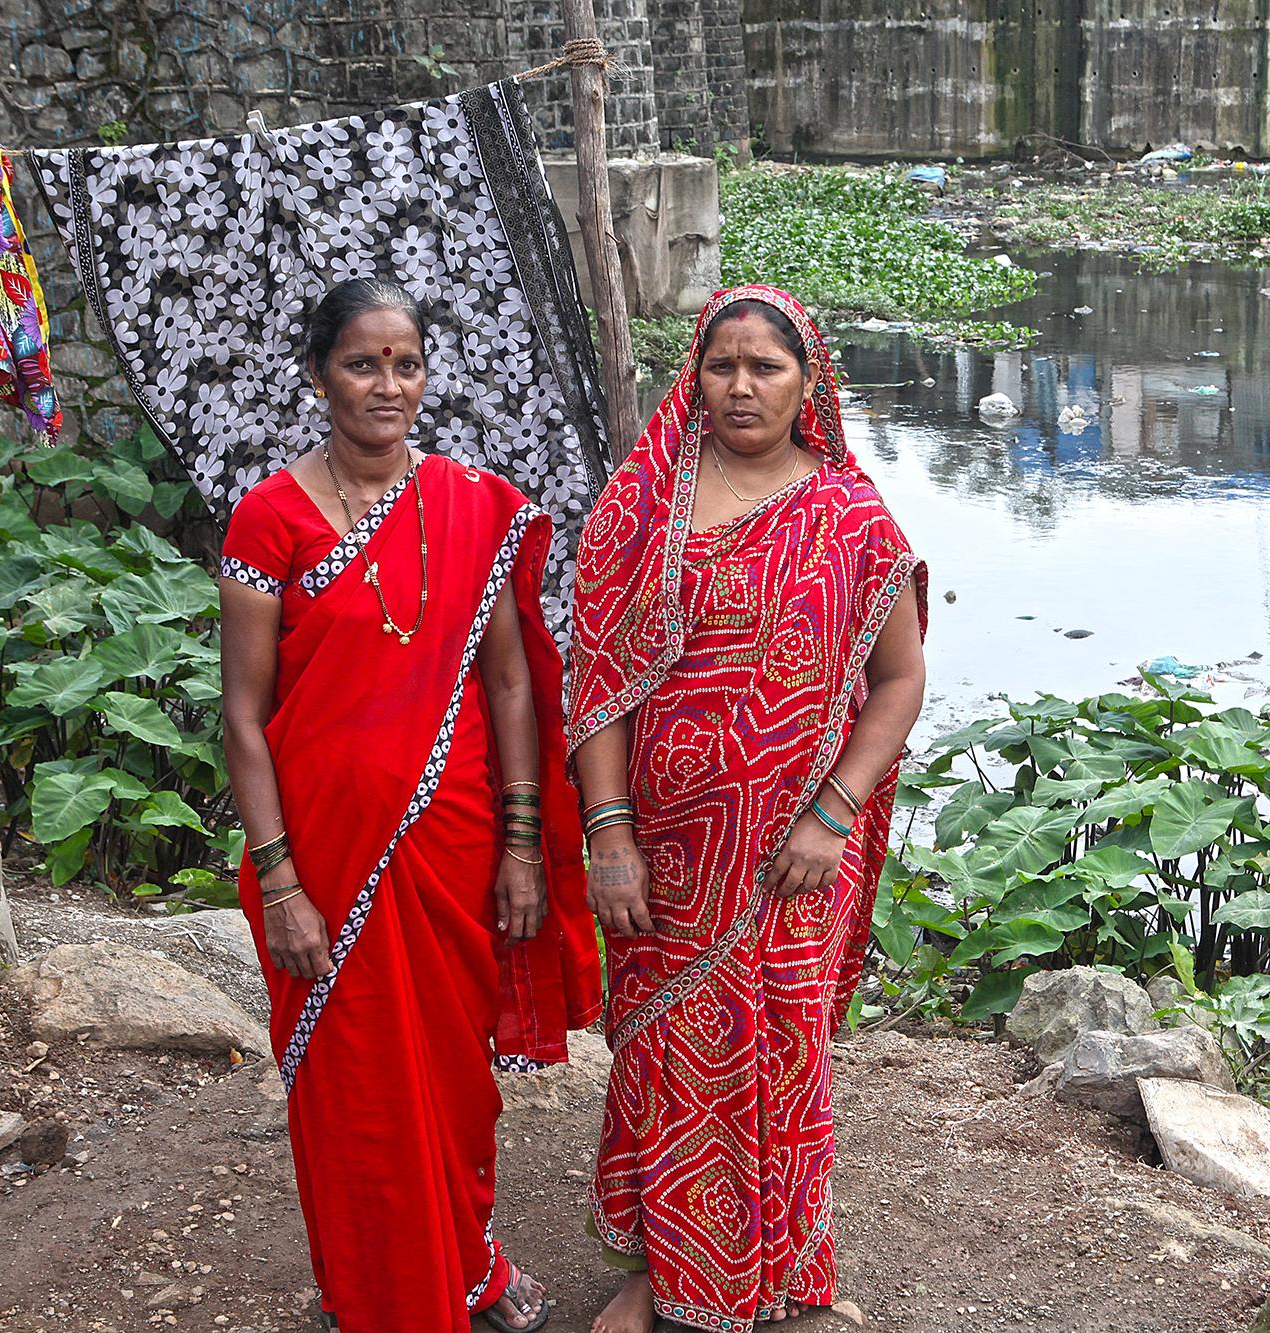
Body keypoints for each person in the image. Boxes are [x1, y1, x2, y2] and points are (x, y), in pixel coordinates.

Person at [218, 277, 603, 1333]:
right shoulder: (270, 518)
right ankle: (381, 1296)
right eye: (361, 363)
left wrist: (523, 845)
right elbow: (244, 719)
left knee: (453, 1080)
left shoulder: (475, 505)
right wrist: (283, 878)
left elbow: (514, 683)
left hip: (458, 842)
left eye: (405, 363)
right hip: (326, 864)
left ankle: (466, 1267)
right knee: (354, 1091)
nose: (386, 385)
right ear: (317, 375)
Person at [569, 284, 929, 1333]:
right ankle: (661, 1270)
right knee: (668, 1057)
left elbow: (898, 681)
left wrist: (831, 811)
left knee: (778, 1052)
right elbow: (598, 684)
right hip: (664, 853)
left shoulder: (852, 518)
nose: (739, 386)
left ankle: (773, 1272)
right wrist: (609, 835)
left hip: (792, 860)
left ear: (806, 383)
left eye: (764, 367)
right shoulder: (643, 505)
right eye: (720, 364)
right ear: (694, 374)